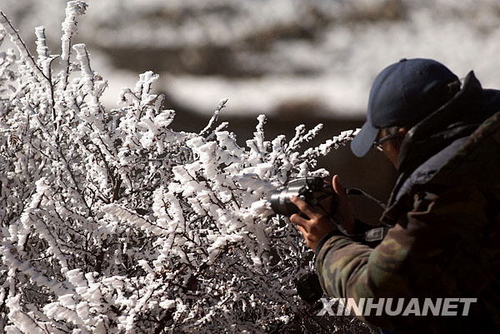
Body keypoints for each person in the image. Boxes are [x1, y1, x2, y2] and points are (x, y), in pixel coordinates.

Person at [290, 58, 500, 333]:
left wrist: (328, 244)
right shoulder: (484, 151)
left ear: (402, 135)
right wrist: (356, 234)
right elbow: (446, 250)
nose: (386, 155)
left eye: (381, 143)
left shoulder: (450, 186)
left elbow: (378, 297)